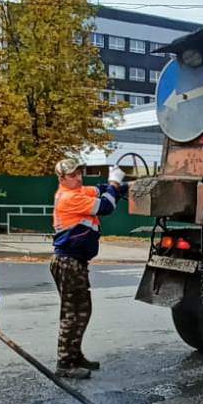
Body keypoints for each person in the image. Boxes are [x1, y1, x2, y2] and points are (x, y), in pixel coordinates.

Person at [50, 159, 128, 378]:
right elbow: (106, 206)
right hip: (68, 262)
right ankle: (65, 363)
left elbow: (101, 190)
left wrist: (122, 185)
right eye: (72, 175)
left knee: (82, 311)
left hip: (74, 262)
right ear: (62, 178)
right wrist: (114, 183)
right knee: (72, 313)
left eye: (79, 173)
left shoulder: (80, 190)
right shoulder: (70, 197)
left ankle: (74, 354)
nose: (78, 177)